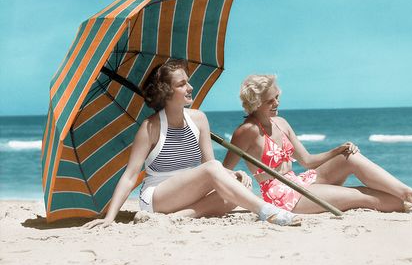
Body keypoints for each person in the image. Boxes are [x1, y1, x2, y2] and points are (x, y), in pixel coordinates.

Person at [84, 61, 301, 229]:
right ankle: (266, 211)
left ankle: (181, 216)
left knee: (240, 186)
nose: (190, 87)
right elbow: (130, 176)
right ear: (166, 92)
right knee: (219, 174)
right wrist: (110, 217)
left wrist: (232, 174)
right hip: (158, 195)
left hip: (188, 194)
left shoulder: (199, 119)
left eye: (187, 81)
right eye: (182, 84)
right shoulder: (150, 128)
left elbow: (209, 165)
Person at [223, 74, 412, 214]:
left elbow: (307, 161)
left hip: (299, 182)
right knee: (360, 195)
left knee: (349, 158)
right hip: (284, 198)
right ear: (255, 104)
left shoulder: (282, 123)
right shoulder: (246, 132)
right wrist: (238, 175)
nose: (276, 104)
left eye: (277, 98)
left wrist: (338, 150)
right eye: (270, 101)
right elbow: (224, 172)